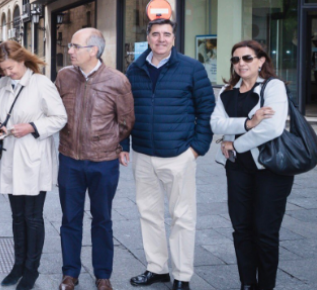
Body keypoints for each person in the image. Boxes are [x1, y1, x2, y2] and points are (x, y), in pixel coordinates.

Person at [120, 19, 215, 290]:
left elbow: (207, 110)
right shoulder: (135, 69)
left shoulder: (192, 68)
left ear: (174, 38)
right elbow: (127, 111)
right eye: (156, 34)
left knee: (182, 217)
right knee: (148, 213)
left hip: (179, 155)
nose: (161, 39)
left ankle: (182, 275)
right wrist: (124, 144)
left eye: (166, 34)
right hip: (143, 155)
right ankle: (157, 269)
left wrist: (196, 148)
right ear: (148, 37)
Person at [55, 28, 135, 290]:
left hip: (104, 163)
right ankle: (70, 273)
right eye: (70, 45)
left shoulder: (117, 80)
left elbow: (126, 121)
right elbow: (54, 112)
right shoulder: (64, 77)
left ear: (93, 50)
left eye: (75, 46)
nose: (70, 51)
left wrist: (112, 143)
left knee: (102, 218)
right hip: (69, 160)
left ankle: (103, 275)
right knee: (70, 219)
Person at [210, 40, 293, 290]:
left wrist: (236, 143)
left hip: (271, 170)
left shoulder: (273, 86)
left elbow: (272, 127)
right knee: (241, 229)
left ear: (261, 61)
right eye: (236, 59)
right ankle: (247, 283)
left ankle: (265, 286)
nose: (241, 64)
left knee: (265, 231)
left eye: (247, 58)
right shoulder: (226, 91)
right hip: (237, 169)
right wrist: (248, 122)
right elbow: (215, 124)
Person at [0, 40, 67, 290]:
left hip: (34, 158)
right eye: (3, 69)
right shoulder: (0, 85)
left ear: (22, 60)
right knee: (17, 216)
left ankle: (31, 270)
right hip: (11, 157)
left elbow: (60, 117)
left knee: (32, 217)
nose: (7, 73)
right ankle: (18, 265)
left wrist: (32, 127)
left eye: (11, 68)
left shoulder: (41, 83)